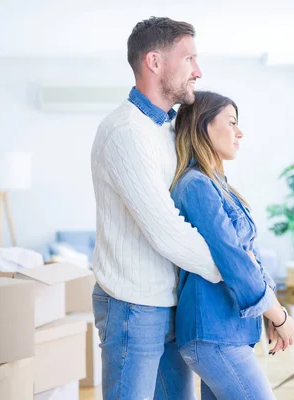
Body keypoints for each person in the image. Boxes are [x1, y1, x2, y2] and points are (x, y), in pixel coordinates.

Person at [90, 17, 223, 400]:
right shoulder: (126, 132)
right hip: (134, 305)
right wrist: (233, 273)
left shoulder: (166, 130)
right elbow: (167, 229)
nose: (198, 71)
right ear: (154, 61)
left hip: (168, 300)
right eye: (189, 59)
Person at [170, 91, 294, 399]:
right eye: (231, 123)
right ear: (203, 127)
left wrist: (267, 308)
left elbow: (249, 256)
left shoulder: (217, 185)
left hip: (226, 331)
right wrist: (278, 316)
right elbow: (234, 259)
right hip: (213, 334)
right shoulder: (196, 186)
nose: (240, 133)